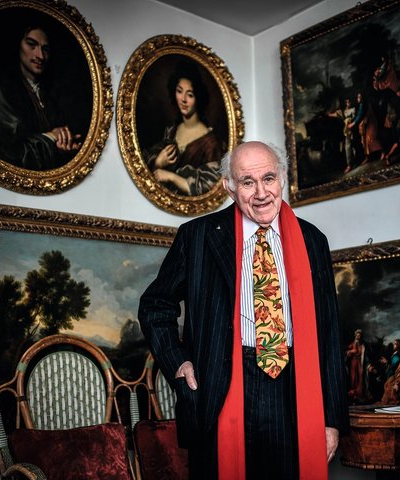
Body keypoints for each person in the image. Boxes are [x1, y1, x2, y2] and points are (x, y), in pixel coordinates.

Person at [138, 141, 349, 479]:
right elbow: (155, 305)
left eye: (269, 178)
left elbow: (329, 333)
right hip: (222, 386)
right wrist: (178, 361)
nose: (261, 193)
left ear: (282, 178)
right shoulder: (197, 237)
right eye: (248, 182)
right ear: (230, 187)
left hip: (294, 387)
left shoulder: (313, 241)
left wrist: (332, 420)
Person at [0, 23, 83, 170]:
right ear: (17, 45)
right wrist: (52, 137)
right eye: (31, 45)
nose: (40, 56)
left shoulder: (49, 95)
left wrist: (65, 146)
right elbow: (11, 153)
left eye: (45, 49)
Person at [144, 62, 223, 196]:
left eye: (190, 95)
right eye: (179, 91)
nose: (183, 99)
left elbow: (208, 187)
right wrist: (157, 163)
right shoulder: (171, 130)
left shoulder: (211, 143)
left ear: (198, 98)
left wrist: (171, 177)